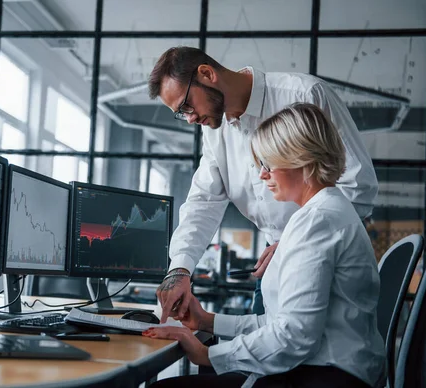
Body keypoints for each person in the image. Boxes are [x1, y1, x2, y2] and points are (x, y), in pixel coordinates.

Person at [143, 103, 386, 388]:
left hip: (323, 376)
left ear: (301, 159)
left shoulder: (317, 221)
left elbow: (294, 336)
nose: (262, 175)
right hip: (319, 368)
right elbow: (279, 323)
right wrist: (208, 321)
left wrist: (208, 354)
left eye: (268, 164)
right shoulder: (322, 213)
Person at [149, 46, 378, 322]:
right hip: (272, 266)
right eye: (180, 113)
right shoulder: (215, 131)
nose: (190, 118)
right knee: (263, 344)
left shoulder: (305, 95)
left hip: (325, 261)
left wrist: (299, 239)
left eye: (186, 106)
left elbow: (359, 185)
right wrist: (180, 269)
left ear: (207, 74)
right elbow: (203, 202)